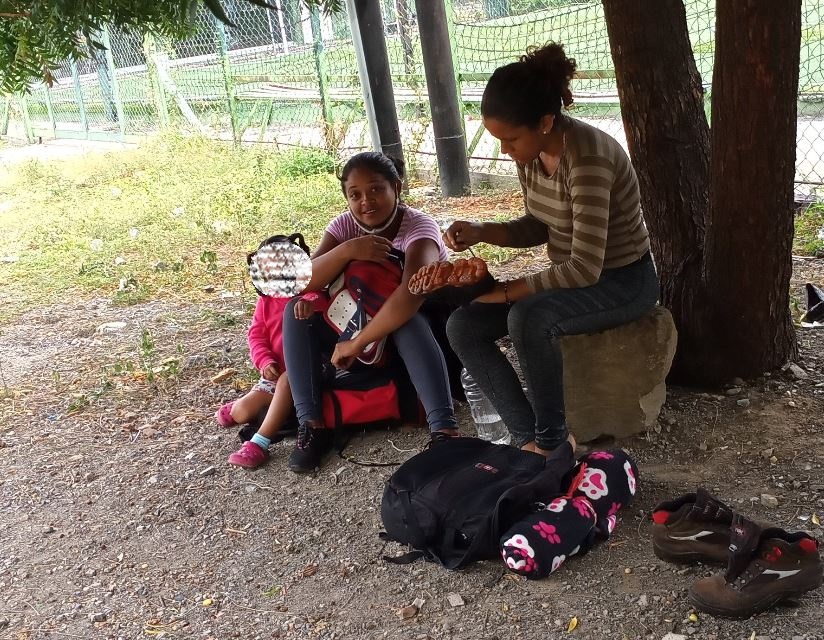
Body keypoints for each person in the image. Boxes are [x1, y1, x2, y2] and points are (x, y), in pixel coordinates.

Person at [442, 43, 659, 458]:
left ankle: (552, 441)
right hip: (577, 276)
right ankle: (527, 439)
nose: (505, 150)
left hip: (623, 279)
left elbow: (585, 269)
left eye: (510, 138)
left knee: (527, 316)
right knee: (462, 326)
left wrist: (508, 292)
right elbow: (540, 224)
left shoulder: (588, 157)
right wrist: (482, 231)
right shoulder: (533, 153)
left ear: (545, 122)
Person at [282, 151, 459, 473]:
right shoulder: (345, 226)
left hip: (419, 330)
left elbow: (411, 294)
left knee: (408, 318)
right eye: (355, 194)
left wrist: (357, 342)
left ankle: (444, 429)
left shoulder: (419, 228)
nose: (367, 201)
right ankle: (312, 425)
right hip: (356, 317)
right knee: (296, 309)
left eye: (377, 189)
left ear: (397, 187)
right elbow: (301, 281)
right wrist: (348, 250)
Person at [216, 235, 317, 469]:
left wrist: (310, 307)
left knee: (286, 380)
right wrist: (264, 361)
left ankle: (258, 443)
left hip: (300, 375)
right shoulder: (266, 301)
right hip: (271, 377)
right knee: (241, 413)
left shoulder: (310, 294)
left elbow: (323, 308)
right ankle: (239, 405)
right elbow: (256, 335)